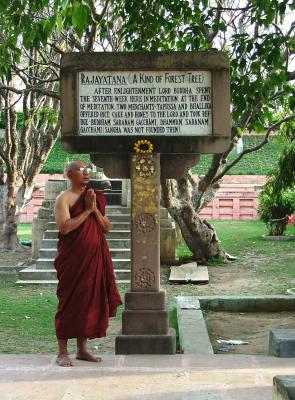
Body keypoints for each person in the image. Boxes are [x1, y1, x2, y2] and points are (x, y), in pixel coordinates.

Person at [53, 160, 122, 367]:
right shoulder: (63, 199)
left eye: (87, 169)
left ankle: (82, 350)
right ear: (69, 174)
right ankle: (62, 352)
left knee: (89, 302)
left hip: (94, 259)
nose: (86, 172)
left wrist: (94, 210)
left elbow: (106, 227)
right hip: (73, 260)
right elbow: (65, 228)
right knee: (69, 302)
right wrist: (85, 211)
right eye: (80, 169)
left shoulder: (93, 197)